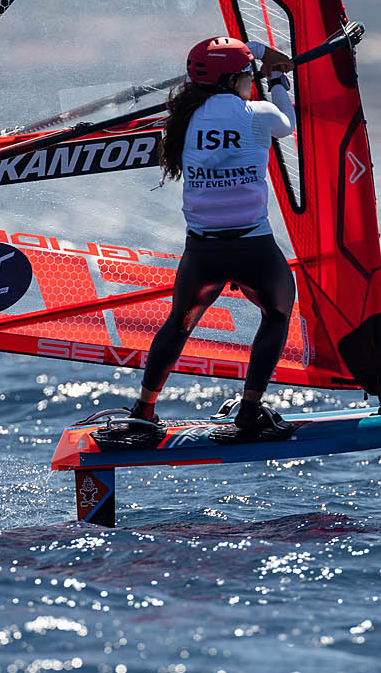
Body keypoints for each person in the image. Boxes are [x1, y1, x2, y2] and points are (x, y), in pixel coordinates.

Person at [125, 35, 297, 439]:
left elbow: (217, 62)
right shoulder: (260, 113)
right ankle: (250, 410)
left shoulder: (182, 119)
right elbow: (287, 125)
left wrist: (253, 52)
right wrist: (275, 77)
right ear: (236, 79)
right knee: (276, 314)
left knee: (179, 323)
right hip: (254, 247)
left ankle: (144, 408)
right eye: (246, 77)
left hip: (203, 251)